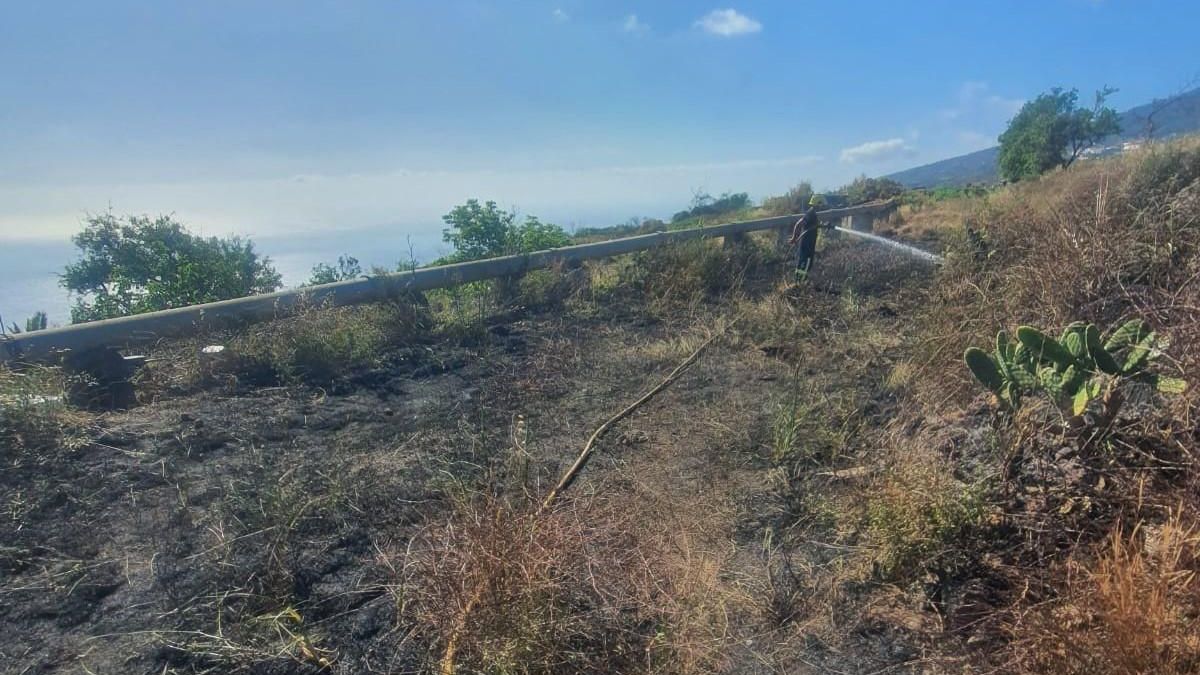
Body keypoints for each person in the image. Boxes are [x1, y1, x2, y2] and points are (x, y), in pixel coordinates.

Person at [787, 194, 832, 281]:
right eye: (821, 204)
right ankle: (799, 283)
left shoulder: (813, 214)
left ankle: (800, 281)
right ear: (817, 203)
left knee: (806, 263)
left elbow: (813, 225)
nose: (822, 206)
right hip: (806, 244)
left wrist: (824, 225)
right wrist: (794, 238)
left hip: (810, 244)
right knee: (805, 263)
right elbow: (799, 224)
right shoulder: (810, 213)